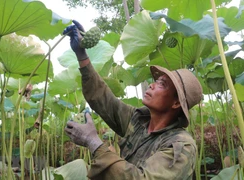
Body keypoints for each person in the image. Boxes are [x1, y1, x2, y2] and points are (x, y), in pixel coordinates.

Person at [64, 20, 203, 180]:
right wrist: (82, 54)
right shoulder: (138, 121)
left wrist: (93, 141)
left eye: (162, 84)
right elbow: (102, 99)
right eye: (156, 81)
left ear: (176, 103)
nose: (152, 85)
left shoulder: (181, 145)